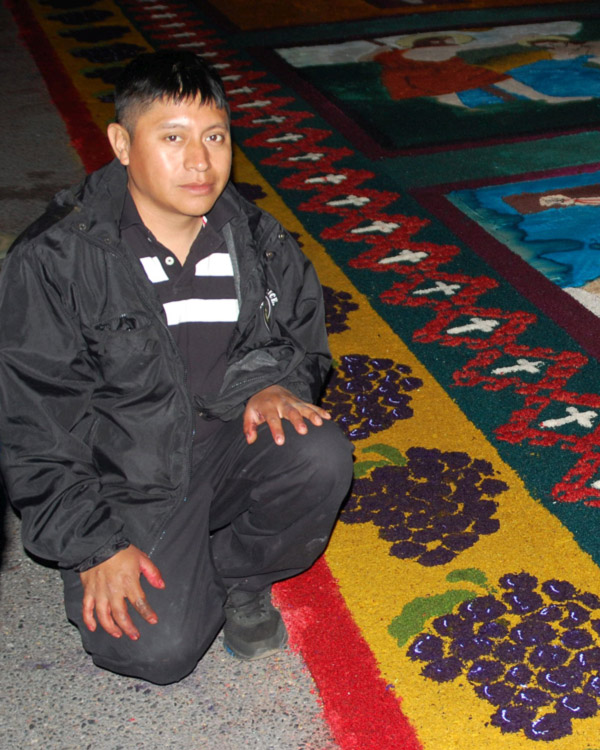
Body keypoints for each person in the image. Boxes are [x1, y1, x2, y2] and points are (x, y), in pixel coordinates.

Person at [0, 51, 353, 685]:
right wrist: (95, 547)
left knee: (317, 451)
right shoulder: (56, 258)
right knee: (156, 653)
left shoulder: (257, 238)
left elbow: (302, 340)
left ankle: (242, 578)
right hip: (124, 477)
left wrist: (276, 384)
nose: (200, 161)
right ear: (121, 144)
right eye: (172, 137)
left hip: (221, 443)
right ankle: (154, 563)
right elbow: (33, 425)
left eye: (215, 137)